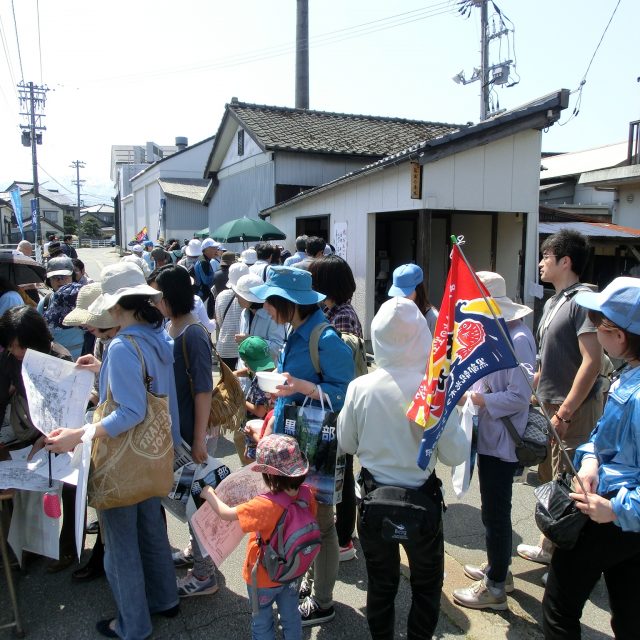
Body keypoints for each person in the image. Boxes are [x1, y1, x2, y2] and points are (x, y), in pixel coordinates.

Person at [45, 262, 180, 640]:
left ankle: (133, 625)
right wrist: (104, 367)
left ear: (117, 305)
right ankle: (165, 599)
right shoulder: (157, 334)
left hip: (125, 457)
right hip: (155, 454)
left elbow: (132, 411)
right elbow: (149, 391)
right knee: (150, 528)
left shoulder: (124, 344)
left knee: (121, 545)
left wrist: (81, 434)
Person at [338, 297, 466, 640]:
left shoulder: (360, 387)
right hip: (422, 503)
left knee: (381, 584)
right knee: (426, 586)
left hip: (373, 501)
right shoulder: (434, 389)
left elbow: (347, 444)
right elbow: (455, 454)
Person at [250, 266, 354, 626]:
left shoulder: (323, 338)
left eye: (270, 303)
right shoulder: (299, 331)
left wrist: (303, 388)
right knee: (303, 517)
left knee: (323, 524)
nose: (266, 310)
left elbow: (346, 393)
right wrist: (286, 388)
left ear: (288, 303)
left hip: (315, 447)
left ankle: (323, 601)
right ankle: (311, 584)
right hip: (294, 442)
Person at [542, 277, 640, 640]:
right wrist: (590, 461)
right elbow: (603, 438)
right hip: (612, 506)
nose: (595, 329)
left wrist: (616, 510)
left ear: (620, 334)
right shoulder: (628, 373)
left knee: (558, 610)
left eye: (600, 323)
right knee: (630, 613)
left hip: (610, 512)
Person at [518, 229, 603, 569]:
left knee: (573, 484)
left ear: (565, 261)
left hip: (574, 409)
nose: (540, 263)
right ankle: (550, 547)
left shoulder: (583, 300)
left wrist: (566, 411)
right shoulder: (555, 301)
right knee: (556, 481)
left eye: (546, 257)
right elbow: (548, 360)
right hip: (553, 405)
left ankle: (571, 563)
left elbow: (592, 361)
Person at [451, 272, 536, 611]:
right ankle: (499, 570)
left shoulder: (516, 339)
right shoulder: (498, 335)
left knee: (497, 512)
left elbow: (521, 395)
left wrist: (478, 401)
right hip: (490, 435)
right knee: (492, 509)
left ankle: (497, 586)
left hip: (503, 440)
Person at [199, 434, 316, 640]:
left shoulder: (264, 505)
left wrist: (208, 493)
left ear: (269, 475)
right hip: (293, 570)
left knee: (261, 620)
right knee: (290, 615)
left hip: (262, 575)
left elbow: (226, 513)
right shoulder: (307, 494)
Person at [153, 264, 219, 598]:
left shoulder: (192, 333)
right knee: (191, 499)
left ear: (169, 296)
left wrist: (198, 439)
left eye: (157, 295)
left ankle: (205, 575)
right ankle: (198, 553)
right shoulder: (171, 325)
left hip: (194, 432)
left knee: (198, 502)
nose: (154, 300)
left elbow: (203, 390)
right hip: (179, 430)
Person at [0, 306, 76, 570]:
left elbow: (70, 408)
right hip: (30, 435)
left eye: (17, 346)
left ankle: (68, 547)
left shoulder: (59, 358)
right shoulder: (11, 359)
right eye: (9, 347)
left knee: (68, 488)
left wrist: (45, 438)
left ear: (34, 340)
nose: (13, 352)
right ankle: (32, 546)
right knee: (23, 486)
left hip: (65, 435)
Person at [308, 254, 363, 561]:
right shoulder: (334, 310)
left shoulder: (341, 316)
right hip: (337, 404)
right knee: (339, 471)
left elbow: (339, 368)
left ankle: (343, 540)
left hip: (340, 406)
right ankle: (342, 534)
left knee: (341, 472)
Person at [38, 257, 86, 359]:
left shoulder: (84, 298)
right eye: (55, 277)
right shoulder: (45, 302)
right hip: (55, 359)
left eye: (64, 276)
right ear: (48, 280)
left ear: (72, 276)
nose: (59, 280)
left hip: (82, 358)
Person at [388, 263, 438, 336]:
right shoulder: (393, 313)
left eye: (405, 292)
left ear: (419, 290)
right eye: (397, 293)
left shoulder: (433, 318)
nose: (401, 297)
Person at [215, 262, 248, 370]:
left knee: (227, 384)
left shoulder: (221, 295)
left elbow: (219, 321)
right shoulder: (249, 297)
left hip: (225, 346)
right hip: (244, 346)